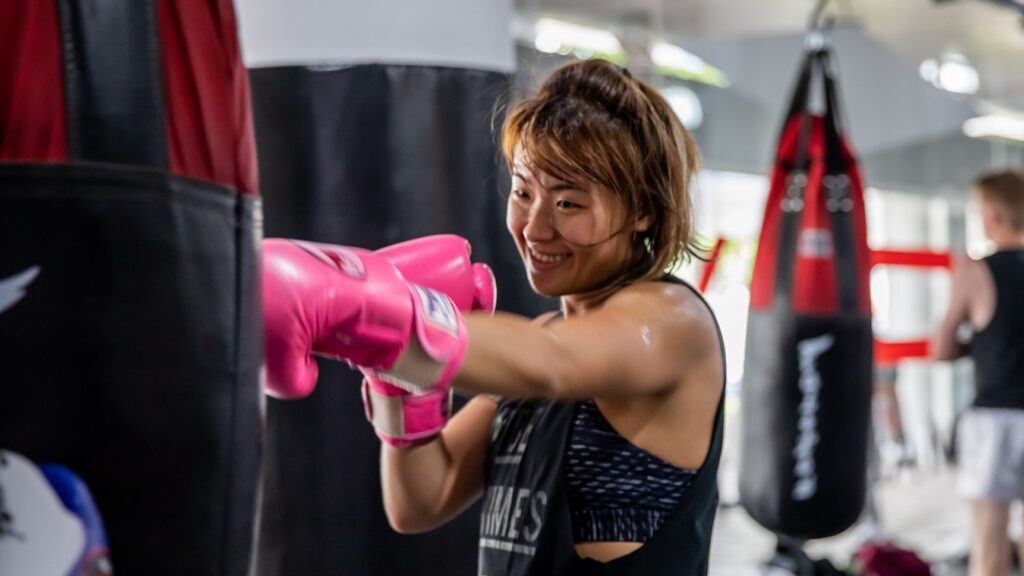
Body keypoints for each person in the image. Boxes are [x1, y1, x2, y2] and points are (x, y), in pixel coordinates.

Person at [262, 58, 725, 575]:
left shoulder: (672, 321)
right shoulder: (541, 340)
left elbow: (556, 365)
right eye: (523, 191)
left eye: (569, 203)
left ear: (642, 210)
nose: (535, 227)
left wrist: (373, 310)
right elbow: (421, 501)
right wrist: (400, 381)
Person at [932, 169, 1024, 576]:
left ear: (993, 217)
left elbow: (942, 348)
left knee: (989, 543)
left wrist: (980, 345)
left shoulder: (976, 271)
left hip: (995, 419)